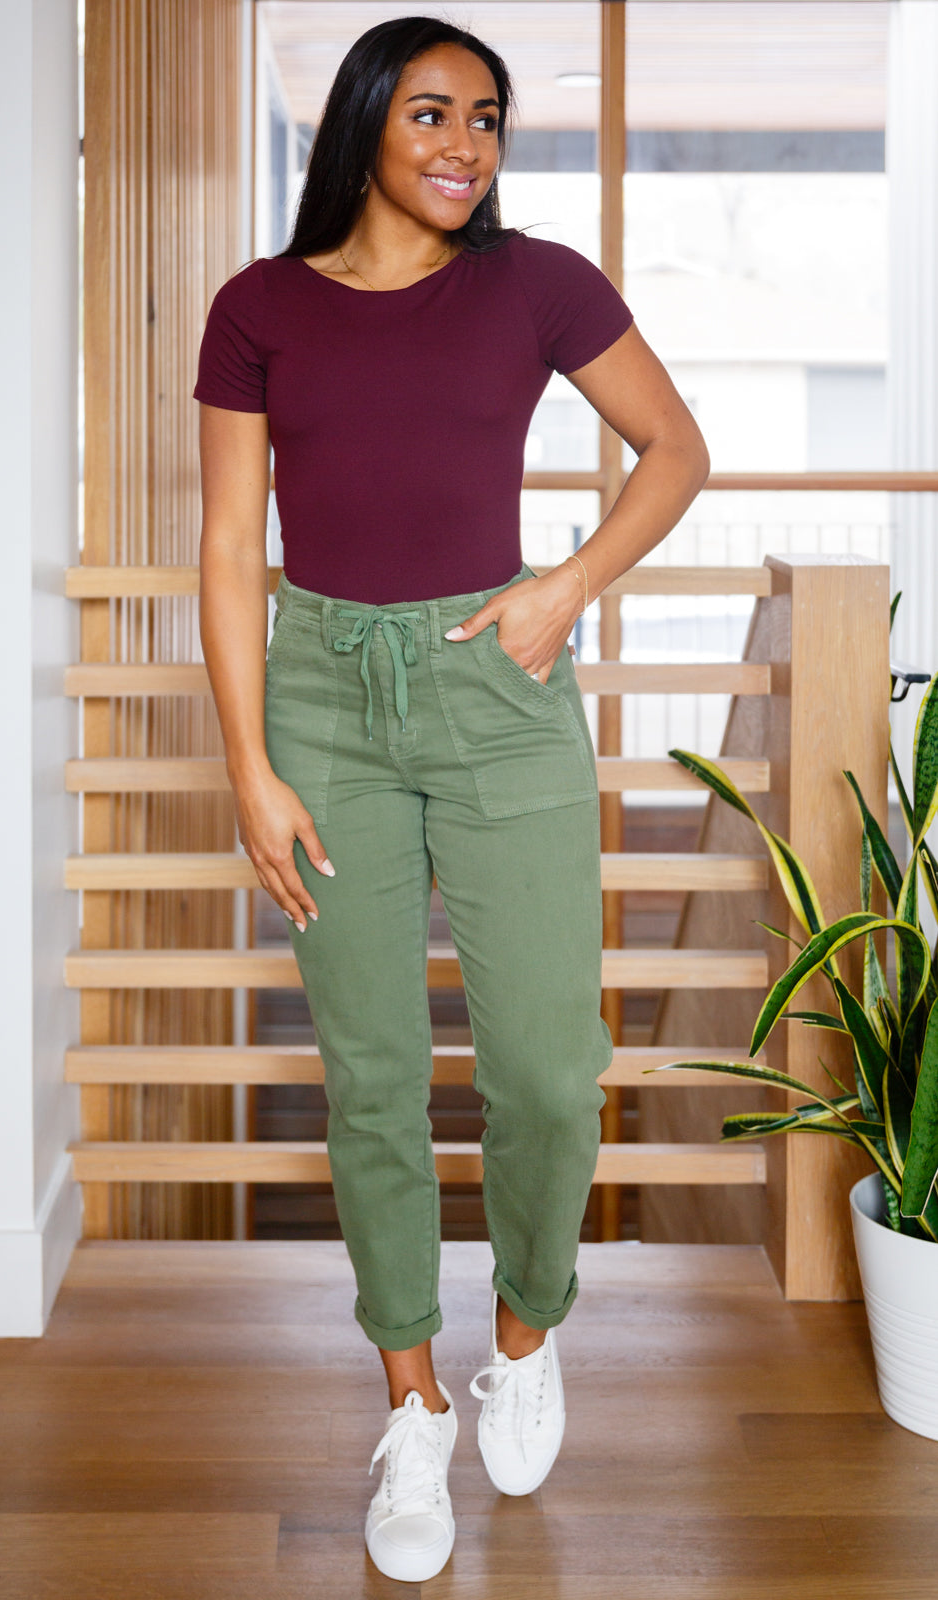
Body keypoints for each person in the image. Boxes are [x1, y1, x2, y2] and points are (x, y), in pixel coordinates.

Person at [194, 14, 709, 1585]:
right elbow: (227, 547)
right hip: (321, 700)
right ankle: (413, 1403)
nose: (464, 144)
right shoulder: (259, 307)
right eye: (431, 112)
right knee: (373, 1079)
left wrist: (567, 586)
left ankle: (527, 1334)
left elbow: (675, 451)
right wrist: (250, 767)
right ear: (364, 121)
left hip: (499, 687)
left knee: (549, 1071)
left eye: (485, 118)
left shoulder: (536, 284)